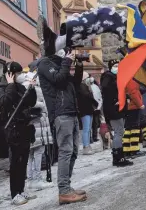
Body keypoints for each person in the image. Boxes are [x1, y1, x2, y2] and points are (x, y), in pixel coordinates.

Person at [36, 18, 87, 204]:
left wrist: (78, 65)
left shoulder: (59, 62)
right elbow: (58, 79)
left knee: (73, 151)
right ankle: (64, 191)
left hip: (71, 112)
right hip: (60, 113)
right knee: (65, 151)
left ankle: (67, 186)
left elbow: (73, 82)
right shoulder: (44, 63)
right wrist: (66, 61)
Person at [0, 61, 37, 205]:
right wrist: (10, 85)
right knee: (15, 162)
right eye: (18, 73)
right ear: (10, 74)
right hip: (13, 129)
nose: (21, 76)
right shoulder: (2, 89)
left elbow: (30, 102)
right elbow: (5, 103)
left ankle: (21, 189)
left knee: (24, 160)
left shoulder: (20, 87)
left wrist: (31, 88)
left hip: (24, 127)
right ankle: (15, 193)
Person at [21, 68, 52, 191]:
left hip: (31, 125)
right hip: (38, 124)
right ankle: (37, 179)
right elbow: (37, 104)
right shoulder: (34, 88)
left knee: (30, 154)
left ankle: (30, 179)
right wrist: (42, 105)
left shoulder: (24, 87)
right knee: (38, 152)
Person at [101, 60, 133, 167]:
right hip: (114, 109)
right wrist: (115, 99)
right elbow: (107, 89)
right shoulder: (108, 76)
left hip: (118, 109)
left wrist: (125, 97)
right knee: (119, 132)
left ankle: (118, 156)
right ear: (110, 67)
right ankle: (118, 157)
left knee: (119, 132)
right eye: (115, 65)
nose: (117, 67)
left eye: (118, 65)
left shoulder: (116, 77)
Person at [78, 72, 98, 155]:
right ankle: (86, 146)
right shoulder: (81, 86)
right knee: (86, 129)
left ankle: (88, 145)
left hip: (89, 110)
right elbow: (88, 96)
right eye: (87, 78)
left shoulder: (86, 86)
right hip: (85, 110)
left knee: (88, 128)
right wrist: (95, 102)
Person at [90, 78, 103, 143]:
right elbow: (99, 97)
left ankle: (93, 137)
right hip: (95, 106)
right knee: (94, 123)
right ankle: (94, 137)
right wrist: (99, 106)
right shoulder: (96, 87)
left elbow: (99, 97)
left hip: (93, 106)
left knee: (93, 123)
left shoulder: (94, 87)